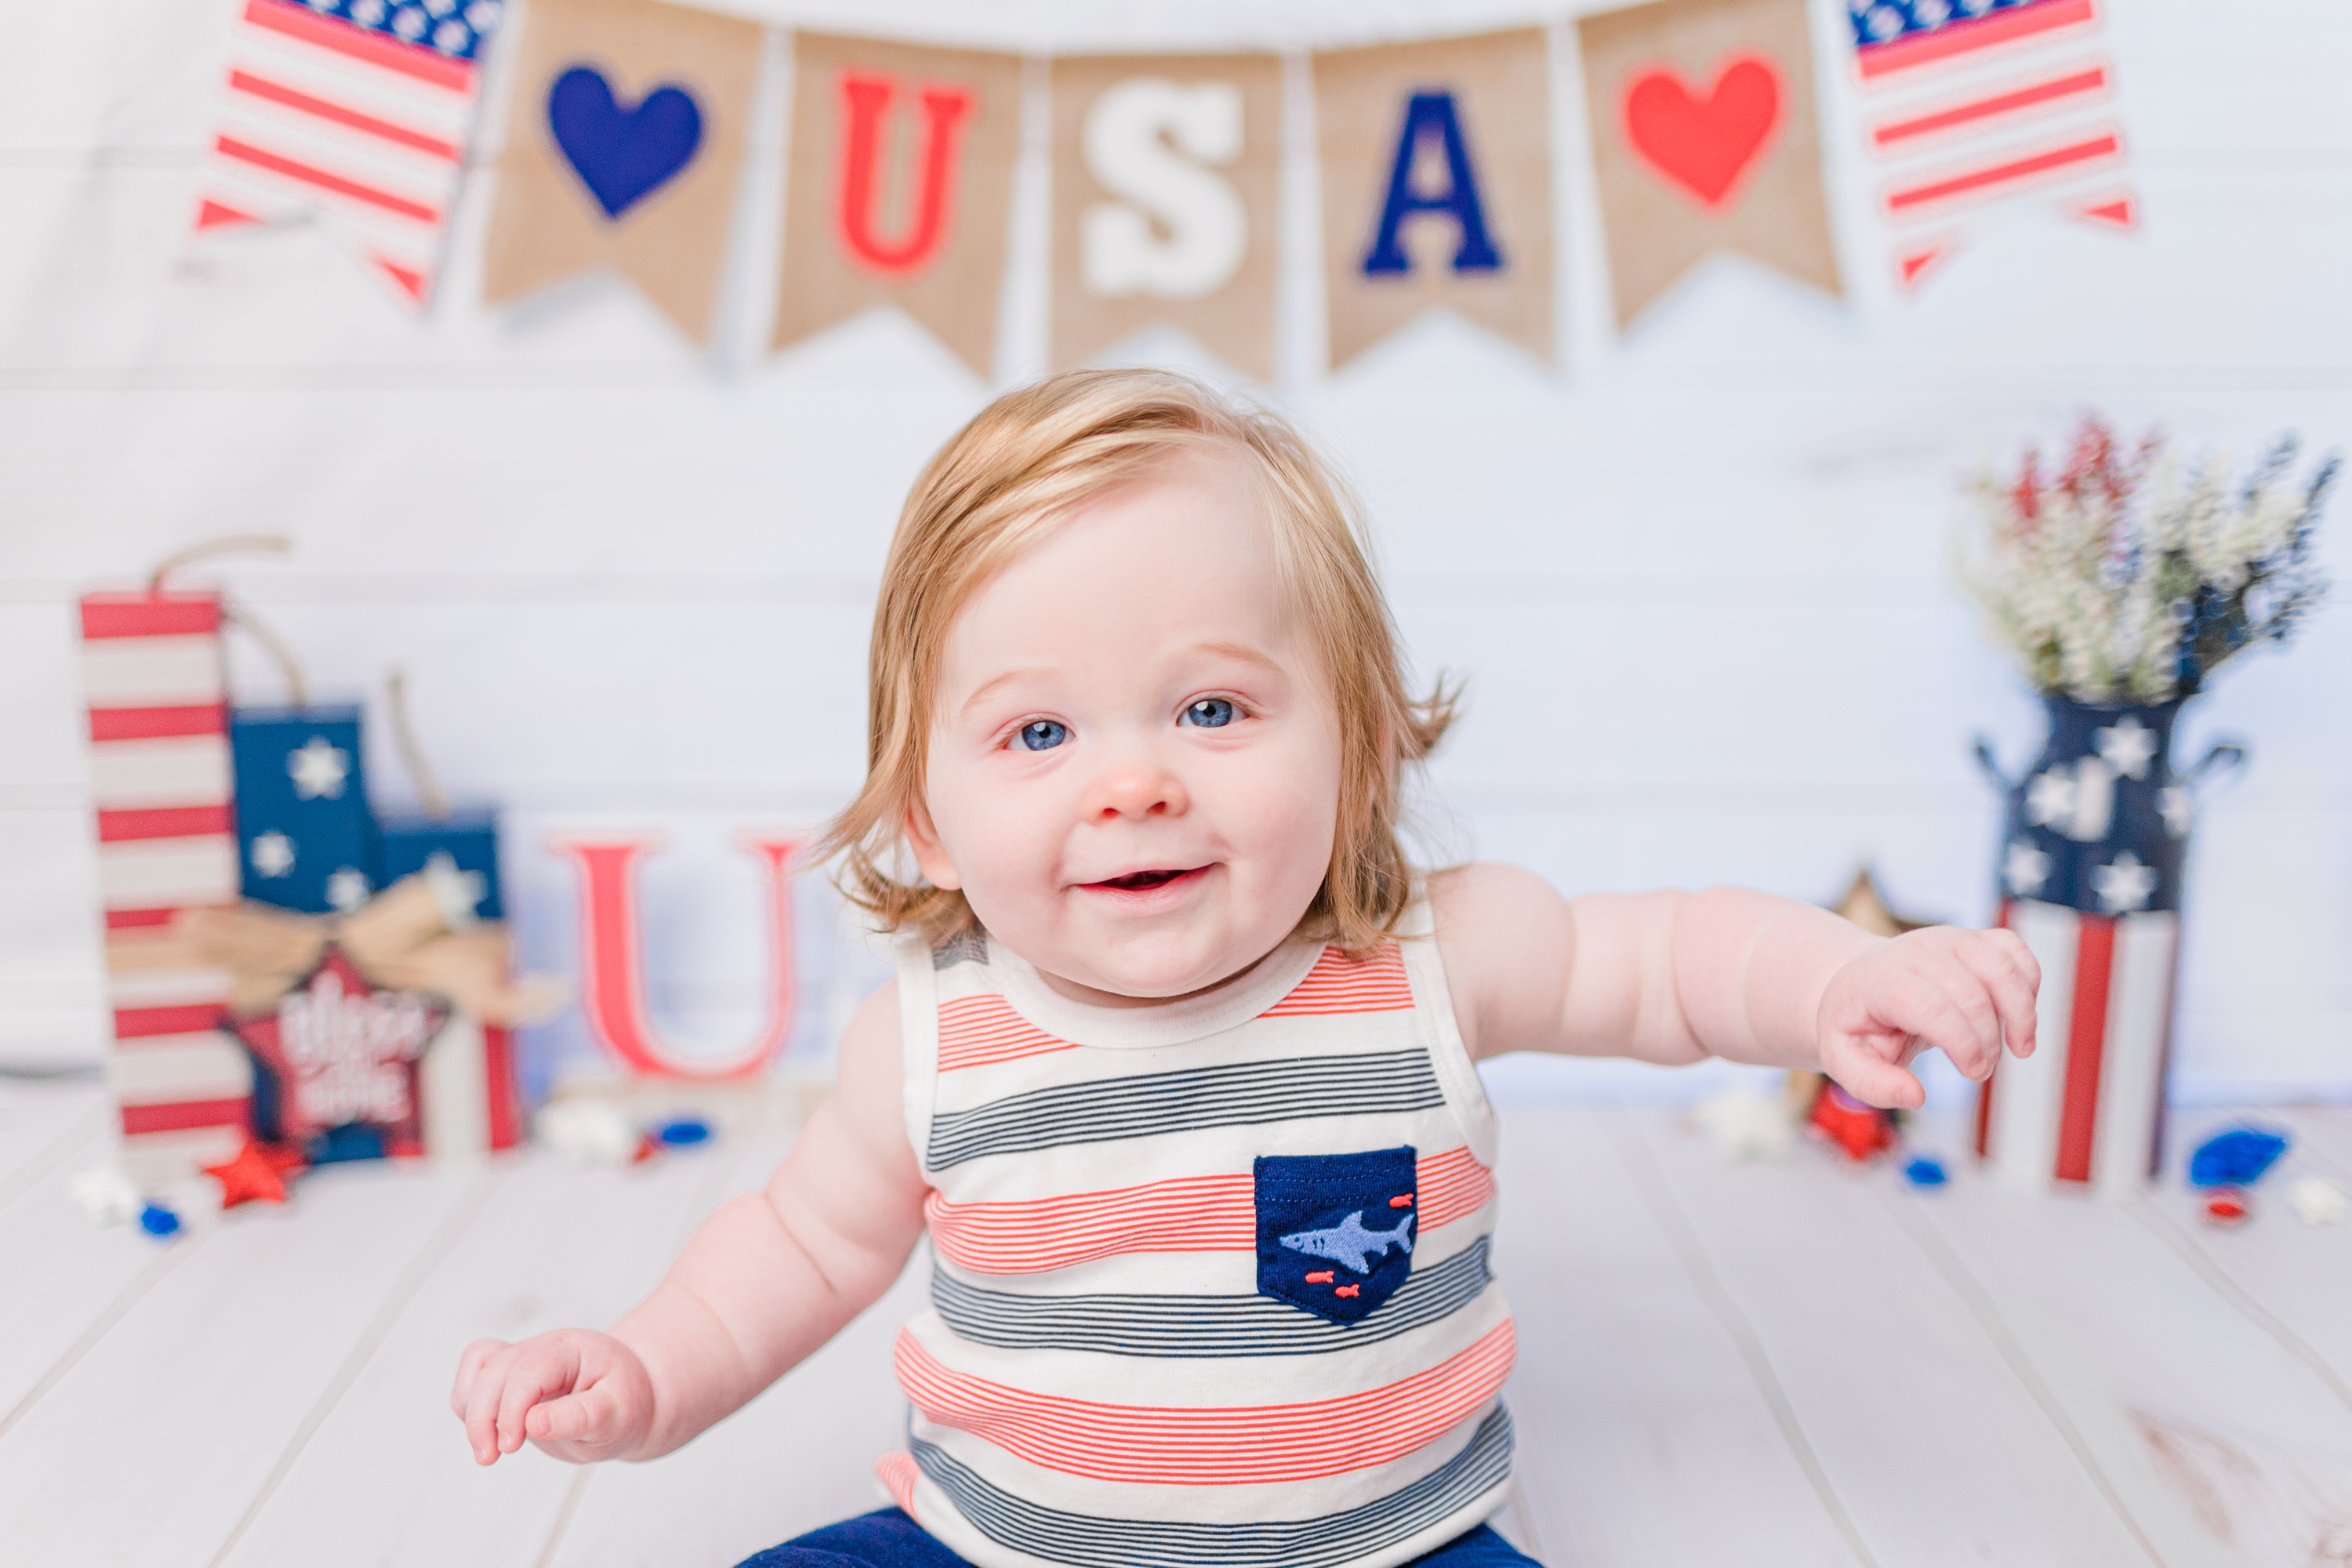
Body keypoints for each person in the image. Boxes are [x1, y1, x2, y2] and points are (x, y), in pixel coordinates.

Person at [450, 369, 2039, 1568]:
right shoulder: (932, 1042)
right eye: (1041, 731)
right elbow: (796, 1249)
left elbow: (1672, 957)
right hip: (1003, 1543)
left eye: (1213, 709)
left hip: (1392, 1542)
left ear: (1356, 754)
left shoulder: (1429, 957)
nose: (1135, 783)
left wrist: (1834, 978)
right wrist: (650, 1368)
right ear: (926, 817)